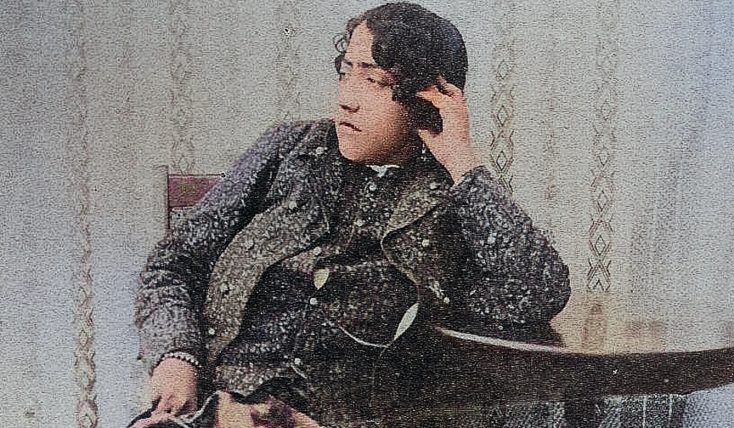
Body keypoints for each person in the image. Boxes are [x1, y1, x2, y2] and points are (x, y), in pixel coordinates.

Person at [131, 2, 570, 427]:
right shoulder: (289, 149)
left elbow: (539, 292)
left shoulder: (451, 199)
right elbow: (173, 263)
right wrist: (176, 357)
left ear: (426, 100)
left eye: (374, 81)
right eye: (346, 72)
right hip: (220, 406)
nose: (346, 100)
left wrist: (461, 160)